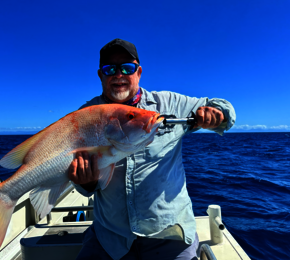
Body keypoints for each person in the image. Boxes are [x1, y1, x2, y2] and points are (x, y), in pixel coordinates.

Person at [68, 38, 236, 260]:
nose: (118, 75)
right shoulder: (85, 116)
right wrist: (85, 182)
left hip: (170, 236)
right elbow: (82, 182)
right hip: (110, 238)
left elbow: (223, 108)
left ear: (138, 72)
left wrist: (218, 114)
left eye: (127, 68)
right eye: (110, 69)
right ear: (101, 75)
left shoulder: (169, 104)